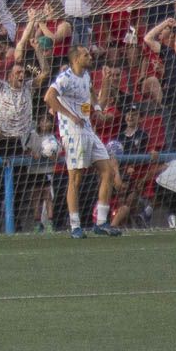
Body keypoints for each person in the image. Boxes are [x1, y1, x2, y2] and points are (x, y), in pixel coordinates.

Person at [44, 45, 122, 238]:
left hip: (87, 129)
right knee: (75, 179)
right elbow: (49, 97)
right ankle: (75, 226)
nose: (90, 56)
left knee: (108, 171)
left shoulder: (86, 77)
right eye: (86, 54)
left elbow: (95, 99)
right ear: (76, 59)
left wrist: (101, 93)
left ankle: (102, 222)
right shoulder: (65, 78)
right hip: (73, 132)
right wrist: (70, 116)